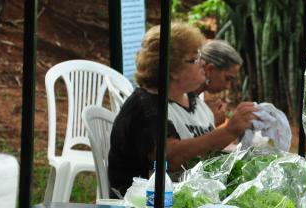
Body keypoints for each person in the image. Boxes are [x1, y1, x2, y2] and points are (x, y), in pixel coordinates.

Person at [108, 23, 257, 196]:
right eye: (194, 59)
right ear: (172, 69)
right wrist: (228, 131)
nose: (202, 63)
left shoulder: (194, 102)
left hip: (193, 198)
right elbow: (170, 158)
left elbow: (202, 150)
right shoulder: (145, 107)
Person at [196, 39, 244, 125]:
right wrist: (211, 122)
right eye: (227, 78)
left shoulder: (196, 100)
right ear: (209, 70)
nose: (228, 86)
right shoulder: (181, 100)